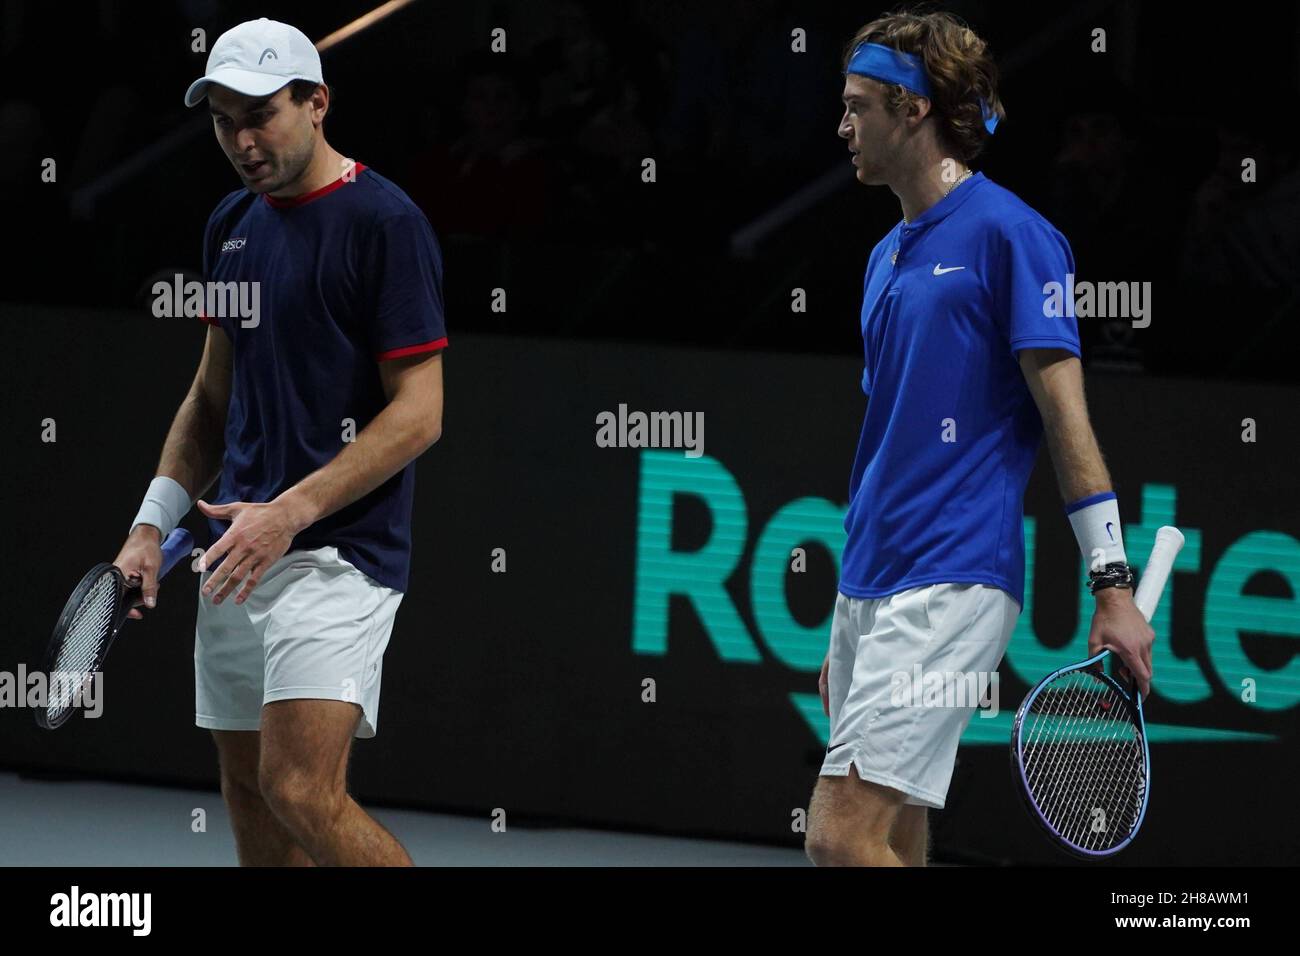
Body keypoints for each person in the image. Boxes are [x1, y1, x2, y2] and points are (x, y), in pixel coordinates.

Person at [804, 10, 1154, 867]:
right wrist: (846, 611)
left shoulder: (1013, 236)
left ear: (912, 109)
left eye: (858, 106)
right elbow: (889, 435)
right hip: (872, 582)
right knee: (895, 829)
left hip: (953, 576)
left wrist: (1112, 585)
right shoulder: (884, 256)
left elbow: (1065, 418)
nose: (842, 126)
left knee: (836, 837)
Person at [112, 18, 446, 866]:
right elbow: (209, 398)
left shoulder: (386, 223)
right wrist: (151, 525)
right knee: (253, 801)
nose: (243, 140)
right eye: (224, 120)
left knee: (300, 787)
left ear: (318, 102)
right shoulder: (231, 224)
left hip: (340, 555)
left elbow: (419, 414)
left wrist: (288, 515)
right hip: (234, 555)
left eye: (261, 114)